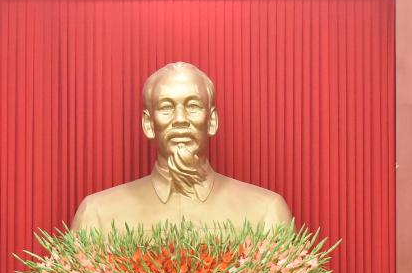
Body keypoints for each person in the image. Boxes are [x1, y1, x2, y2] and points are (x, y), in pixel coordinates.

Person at [71, 61, 293, 231]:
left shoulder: (266, 212)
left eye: (193, 106)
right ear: (148, 124)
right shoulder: (97, 215)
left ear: (212, 121)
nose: (180, 119)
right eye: (166, 107)